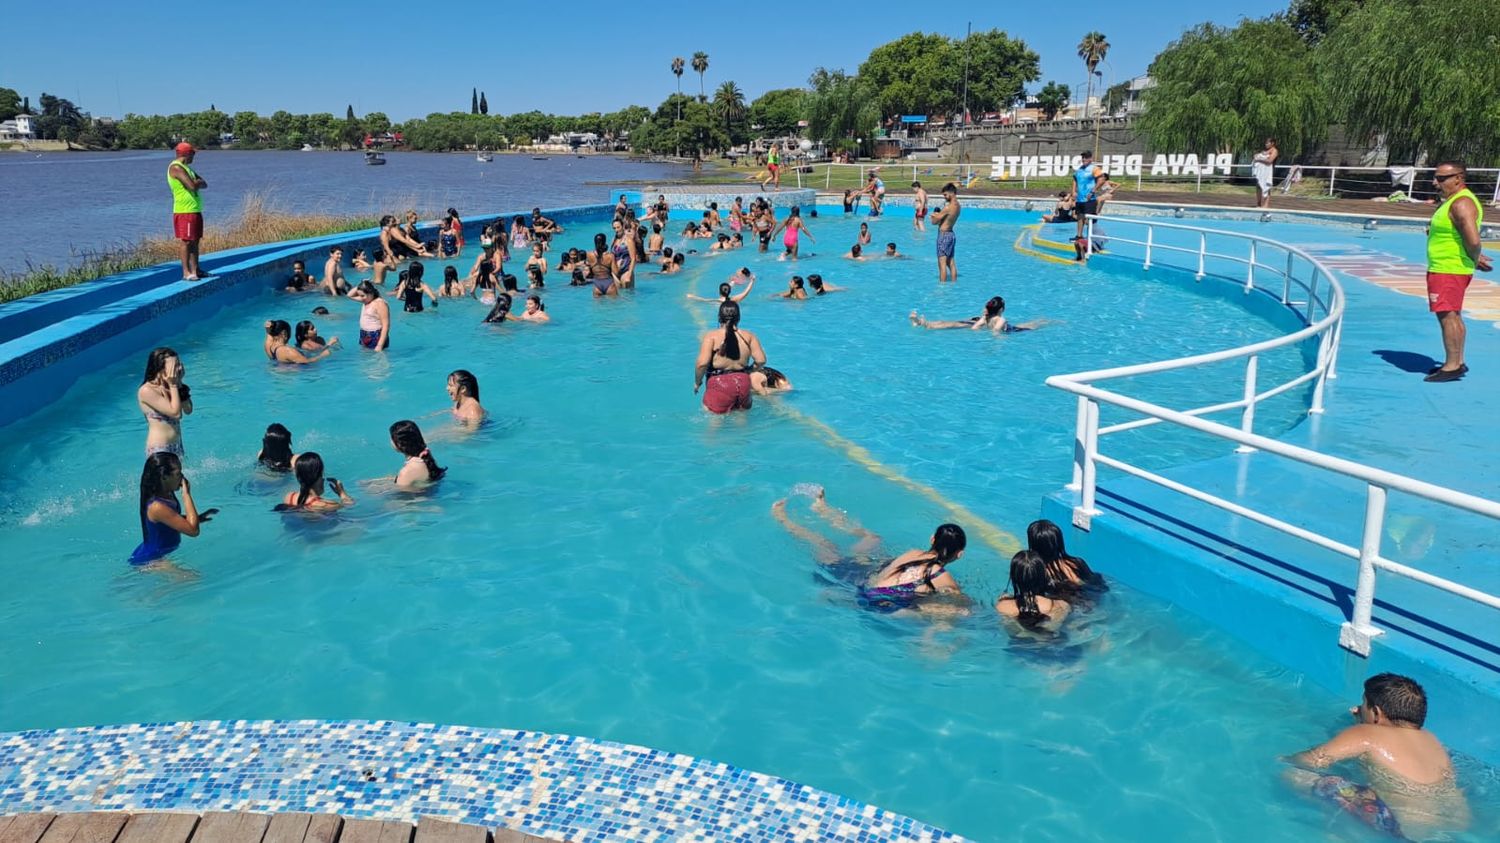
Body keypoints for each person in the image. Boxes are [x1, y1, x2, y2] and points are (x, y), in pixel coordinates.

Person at [1284, 673, 1469, 838]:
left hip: (1401, 826)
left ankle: (1338, 833)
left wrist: (1283, 760)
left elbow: (1310, 760)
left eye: (1362, 704)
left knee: (1296, 775)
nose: (1355, 709)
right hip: (1452, 825)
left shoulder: (1365, 734)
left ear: (1376, 713)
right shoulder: (1432, 740)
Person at [771, 486, 968, 614]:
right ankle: (817, 511)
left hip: (857, 583)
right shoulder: (944, 578)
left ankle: (798, 516)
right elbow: (962, 608)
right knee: (827, 545)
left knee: (849, 541)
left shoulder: (913, 553)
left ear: (932, 539)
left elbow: (885, 573)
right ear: (960, 554)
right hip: (873, 602)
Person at [1422, 161, 1490, 382]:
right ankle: (1457, 361)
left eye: (1441, 178)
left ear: (1458, 178)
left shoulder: (1461, 203)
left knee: (1447, 315)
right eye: (1436, 178)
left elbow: (1472, 239)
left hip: (1448, 269)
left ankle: (1452, 366)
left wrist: (1474, 256)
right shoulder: (1453, 201)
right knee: (1453, 314)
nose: (1436, 182)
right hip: (1447, 267)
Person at [129, 452, 212, 567]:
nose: (182, 477)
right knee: (192, 580)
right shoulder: (156, 506)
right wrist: (186, 495)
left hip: (160, 553)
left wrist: (198, 518)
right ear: (164, 477)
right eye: (178, 474)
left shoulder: (167, 492)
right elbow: (193, 531)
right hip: (152, 558)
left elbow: (170, 519)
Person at [694, 300, 766, 414]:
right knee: (742, 422)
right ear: (738, 318)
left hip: (719, 383)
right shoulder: (749, 336)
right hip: (743, 382)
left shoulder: (711, 336)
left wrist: (698, 382)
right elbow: (761, 360)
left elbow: (701, 364)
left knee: (713, 426)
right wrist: (749, 371)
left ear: (719, 317)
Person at [994, 550, 1071, 634]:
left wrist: (1004, 600)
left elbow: (1013, 632)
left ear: (1014, 578)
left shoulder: (1002, 607)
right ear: (1043, 576)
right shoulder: (1062, 606)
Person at [1027, 519, 1104, 596]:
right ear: (1059, 542)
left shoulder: (1037, 571)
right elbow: (1098, 585)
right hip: (1086, 597)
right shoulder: (1076, 563)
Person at [138, 347, 191, 457]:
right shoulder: (147, 390)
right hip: (160, 449)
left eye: (179, 364)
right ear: (160, 368)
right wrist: (173, 384)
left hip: (177, 446)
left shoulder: (172, 387)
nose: (179, 368)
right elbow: (176, 414)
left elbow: (188, 410)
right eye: (175, 366)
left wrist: (179, 384)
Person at [167, 142, 207, 281]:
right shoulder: (176, 168)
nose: (194, 156)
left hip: (194, 209)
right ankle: (186, 272)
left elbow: (204, 183)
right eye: (193, 153)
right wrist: (196, 183)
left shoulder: (186, 168)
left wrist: (197, 182)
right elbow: (192, 186)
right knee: (186, 241)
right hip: (185, 211)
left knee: (195, 240)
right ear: (186, 154)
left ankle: (196, 269)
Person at [909, 295, 1037, 333]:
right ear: (1001, 310)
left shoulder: (985, 317)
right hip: (1012, 329)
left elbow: (975, 328)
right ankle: (923, 323)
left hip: (975, 322)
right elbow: (996, 332)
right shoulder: (1001, 319)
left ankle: (922, 322)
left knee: (949, 323)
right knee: (1032, 326)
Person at [276, 452, 354, 512]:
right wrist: (342, 493)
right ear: (318, 477)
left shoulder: (289, 497)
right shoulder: (325, 505)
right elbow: (350, 506)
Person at [1068, 151, 1104, 260]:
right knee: (1080, 216)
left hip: (1089, 198)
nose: (1084, 159)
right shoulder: (1079, 169)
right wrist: (1073, 191)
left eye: (1086, 157)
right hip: (1080, 198)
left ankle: (1091, 238)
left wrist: (1093, 190)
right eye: (1083, 157)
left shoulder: (1094, 168)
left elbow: (1101, 179)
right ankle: (1079, 235)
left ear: (1090, 159)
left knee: (1089, 219)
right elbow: (1075, 179)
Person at [389, 419, 446, 488]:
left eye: (392, 438)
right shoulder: (426, 457)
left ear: (399, 444)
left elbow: (401, 496)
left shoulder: (406, 472)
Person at [264, 320, 335, 364]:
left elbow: (269, 332)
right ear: (284, 333)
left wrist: (270, 325)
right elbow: (307, 362)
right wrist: (323, 355)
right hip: (291, 379)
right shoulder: (287, 350)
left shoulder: (269, 345)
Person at [932, 182, 961, 282]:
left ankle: (942, 287)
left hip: (944, 235)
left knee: (942, 264)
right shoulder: (958, 206)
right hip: (951, 235)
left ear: (952, 193)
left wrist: (934, 215)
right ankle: (954, 283)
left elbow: (934, 222)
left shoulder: (948, 207)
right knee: (951, 262)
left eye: (945, 195)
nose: (944, 197)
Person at [350, 281, 391, 350]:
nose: (361, 298)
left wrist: (380, 345)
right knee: (366, 358)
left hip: (376, 336)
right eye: (359, 295)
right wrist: (361, 284)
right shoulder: (366, 300)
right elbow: (349, 295)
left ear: (371, 293)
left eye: (362, 295)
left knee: (378, 358)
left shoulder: (380, 303)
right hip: (364, 334)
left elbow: (386, 325)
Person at [586, 232, 620, 297]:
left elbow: (589, 268)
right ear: (604, 242)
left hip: (597, 284)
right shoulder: (610, 256)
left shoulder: (589, 255)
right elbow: (616, 272)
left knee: (598, 307)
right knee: (615, 306)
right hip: (609, 283)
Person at [1252, 138, 1278, 209]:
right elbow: (1258, 155)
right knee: (1258, 186)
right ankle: (1258, 203)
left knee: (1267, 186)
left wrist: (1259, 159)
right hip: (1262, 171)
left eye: (1267, 143)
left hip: (1269, 171)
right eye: (1265, 143)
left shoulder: (1275, 151)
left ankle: (1266, 204)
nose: (1266, 144)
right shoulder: (1266, 151)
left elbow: (1270, 161)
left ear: (1272, 143)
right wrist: (1257, 156)